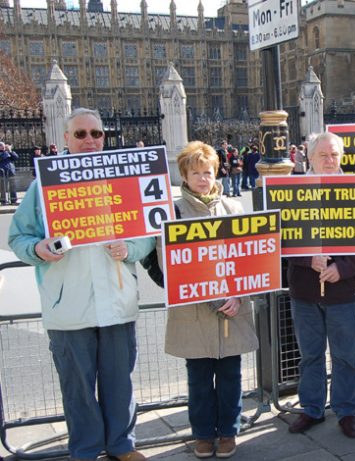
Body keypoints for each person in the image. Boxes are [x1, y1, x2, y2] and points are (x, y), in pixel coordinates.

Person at [8, 108, 153, 461]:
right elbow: (19, 237)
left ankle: (122, 444)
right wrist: (39, 248)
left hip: (117, 301)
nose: (90, 140)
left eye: (97, 133)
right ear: (66, 140)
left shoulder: (123, 179)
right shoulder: (41, 186)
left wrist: (130, 247)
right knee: (78, 390)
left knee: (121, 383)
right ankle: (85, 449)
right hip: (68, 307)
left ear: (104, 137)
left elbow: (148, 233)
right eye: (81, 134)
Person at [158, 141, 259, 458]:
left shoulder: (233, 208)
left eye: (208, 171)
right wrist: (214, 295)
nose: (203, 178)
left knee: (230, 375)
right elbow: (169, 263)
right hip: (194, 310)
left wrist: (239, 294)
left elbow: (250, 259)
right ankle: (203, 434)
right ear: (184, 175)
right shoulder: (173, 212)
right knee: (199, 378)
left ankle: (228, 431)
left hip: (233, 307)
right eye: (196, 172)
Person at [286, 131, 355, 438]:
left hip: (342, 291)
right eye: (323, 155)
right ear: (309, 157)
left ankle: (347, 411)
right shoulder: (292, 190)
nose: (330, 160)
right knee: (310, 355)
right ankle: (312, 409)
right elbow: (281, 238)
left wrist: (342, 267)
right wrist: (310, 260)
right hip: (305, 291)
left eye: (334, 154)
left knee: (346, 355)